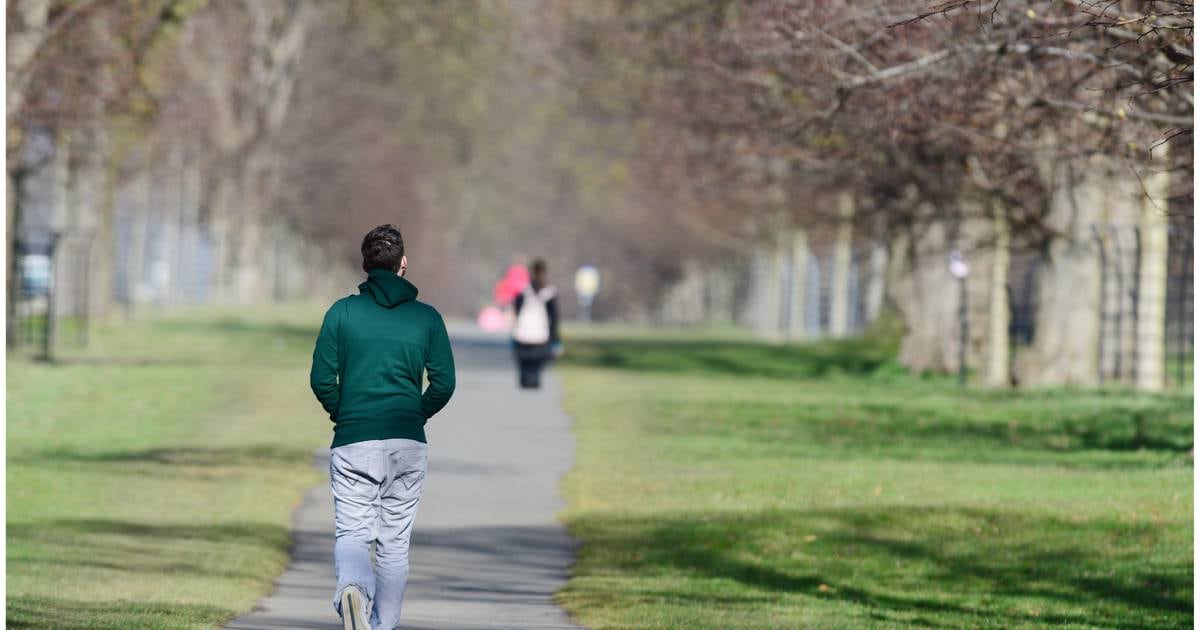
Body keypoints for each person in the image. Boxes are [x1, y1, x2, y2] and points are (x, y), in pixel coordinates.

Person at [310, 224, 456, 630]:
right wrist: (417, 413)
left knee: (353, 532)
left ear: (365, 265)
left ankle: (353, 589)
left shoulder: (342, 312)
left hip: (354, 439)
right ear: (403, 264)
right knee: (394, 543)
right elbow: (444, 383)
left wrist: (346, 413)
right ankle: (382, 625)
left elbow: (322, 378)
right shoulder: (427, 319)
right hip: (407, 442)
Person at [511, 259, 561, 389]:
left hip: (531, 334)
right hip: (532, 334)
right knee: (531, 363)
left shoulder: (545, 293)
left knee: (530, 363)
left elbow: (554, 317)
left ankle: (529, 380)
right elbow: (554, 317)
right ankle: (530, 379)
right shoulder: (527, 291)